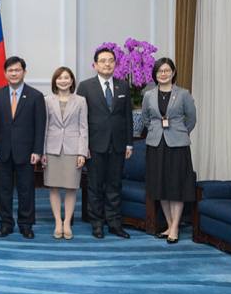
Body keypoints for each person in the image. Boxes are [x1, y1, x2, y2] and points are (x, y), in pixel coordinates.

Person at [76, 47, 134, 239]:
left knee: (115, 185)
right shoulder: (85, 87)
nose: (107, 64)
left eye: (110, 60)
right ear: (95, 65)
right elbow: (80, 119)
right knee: (95, 186)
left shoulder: (123, 86)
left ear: (115, 64)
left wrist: (129, 144)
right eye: (103, 60)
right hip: (94, 145)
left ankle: (115, 224)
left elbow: (127, 117)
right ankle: (97, 224)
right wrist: (83, 147)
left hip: (118, 145)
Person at [0, 56, 45, 239]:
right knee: (3, 190)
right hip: (2, 151)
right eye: (10, 70)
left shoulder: (36, 96)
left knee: (26, 190)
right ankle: (5, 224)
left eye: (17, 70)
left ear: (24, 72)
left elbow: (40, 126)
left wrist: (37, 150)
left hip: (26, 153)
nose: (14, 73)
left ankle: (26, 225)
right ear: (5, 73)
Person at [142, 57, 197, 244]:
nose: (163, 74)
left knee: (176, 185)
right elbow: (146, 118)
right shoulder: (148, 95)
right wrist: (156, 131)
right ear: (155, 74)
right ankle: (169, 224)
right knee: (160, 185)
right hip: (156, 144)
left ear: (173, 73)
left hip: (178, 145)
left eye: (166, 70)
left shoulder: (183, 94)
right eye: (159, 71)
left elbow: (191, 119)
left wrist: (179, 133)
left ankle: (174, 228)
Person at [42, 67, 88, 241]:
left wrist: (82, 152)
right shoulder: (47, 100)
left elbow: (84, 128)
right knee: (53, 186)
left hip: (73, 149)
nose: (63, 80)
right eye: (59, 78)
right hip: (52, 148)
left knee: (71, 187)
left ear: (71, 81)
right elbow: (43, 126)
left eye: (66, 77)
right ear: (55, 81)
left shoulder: (81, 101)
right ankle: (57, 222)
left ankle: (67, 222)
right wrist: (42, 151)